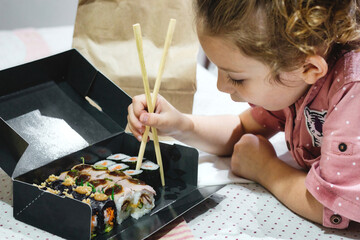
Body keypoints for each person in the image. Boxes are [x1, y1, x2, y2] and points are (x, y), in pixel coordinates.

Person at [127, 0, 360, 229]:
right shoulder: (294, 77)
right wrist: (180, 125)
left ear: (309, 68)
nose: (221, 86)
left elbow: (332, 206)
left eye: (236, 77)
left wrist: (265, 168)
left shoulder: (352, 92)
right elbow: (243, 127)